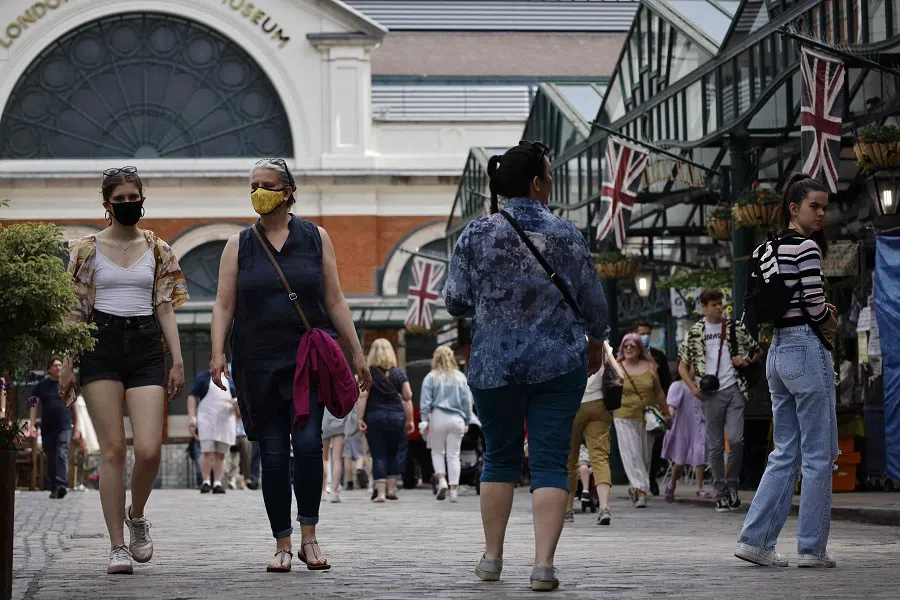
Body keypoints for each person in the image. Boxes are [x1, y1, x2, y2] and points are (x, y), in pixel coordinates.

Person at [444, 140, 609, 592]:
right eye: (549, 175)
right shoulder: (567, 234)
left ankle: (492, 558)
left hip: (495, 365)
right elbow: (594, 302)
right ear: (537, 183)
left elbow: (455, 300)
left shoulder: (476, 234)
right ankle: (543, 566)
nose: (551, 181)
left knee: (499, 458)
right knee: (551, 460)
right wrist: (596, 342)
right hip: (559, 363)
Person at [209, 158, 371, 573]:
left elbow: (335, 300)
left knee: (309, 445)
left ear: (287, 192)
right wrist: (216, 352)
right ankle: (282, 542)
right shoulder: (238, 245)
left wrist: (357, 353)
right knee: (275, 454)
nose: (258, 193)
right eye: (253, 186)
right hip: (257, 364)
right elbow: (224, 305)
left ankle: (309, 537)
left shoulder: (316, 238)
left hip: (307, 362)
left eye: (266, 185)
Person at [58, 166, 188, 575]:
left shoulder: (158, 249)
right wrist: (67, 363)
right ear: (107, 205)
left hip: (146, 346)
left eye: (134, 198)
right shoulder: (86, 250)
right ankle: (116, 546)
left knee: (148, 449)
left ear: (142, 201)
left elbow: (164, 307)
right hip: (100, 346)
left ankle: (137, 515)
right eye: (121, 200)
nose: (129, 204)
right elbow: (75, 311)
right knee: (113, 449)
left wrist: (177, 359)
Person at [735, 174, 839, 568]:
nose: (822, 213)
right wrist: (829, 319)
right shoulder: (807, 247)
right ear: (794, 208)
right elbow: (814, 305)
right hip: (806, 350)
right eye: (815, 206)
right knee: (818, 455)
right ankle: (812, 548)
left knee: (785, 452)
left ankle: (756, 541)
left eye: (824, 207)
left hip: (777, 352)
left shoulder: (767, 247)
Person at [677, 288, 761, 513]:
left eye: (720, 303)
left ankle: (732, 485)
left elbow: (757, 351)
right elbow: (682, 365)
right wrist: (693, 388)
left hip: (734, 388)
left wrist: (745, 360)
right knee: (715, 445)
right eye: (714, 304)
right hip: (710, 393)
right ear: (703, 307)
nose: (718, 308)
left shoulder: (735, 327)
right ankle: (720, 491)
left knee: (736, 440)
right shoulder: (695, 331)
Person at [614, 334, 668, 508]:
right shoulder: (617, 367)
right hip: (623, 416)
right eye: (626, 346)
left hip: (647, 418)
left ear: (640, 349)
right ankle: (642, 491)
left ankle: (635, 487)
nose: (629, 348)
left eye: (633, 345)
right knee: (632, 455)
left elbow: (658, 392)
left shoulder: (650, 366)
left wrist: (667, 414)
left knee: (644, 457)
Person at [357, 338, 414, 503]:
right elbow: (408, 397)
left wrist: (360, 418)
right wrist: (410, 420)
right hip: (396, 417)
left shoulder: (368, 373)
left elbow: (363, 396)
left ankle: (381, 493)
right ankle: (392, 490)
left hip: (375, 416)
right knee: (393, 453)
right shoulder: (399, 373)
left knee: (378, 453)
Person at [565, 357, 615, 525]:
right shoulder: (602, 345)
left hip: (573, 403)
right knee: (600, 458)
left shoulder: (567, 343)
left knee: (570, 459)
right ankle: (604, 507)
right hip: (599, 404)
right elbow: (619, 373)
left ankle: (568, 509)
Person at [420, 345, 473, 503]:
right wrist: (467, 420)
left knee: (437, 452)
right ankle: (453, 490)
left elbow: (425, 401)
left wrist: (424, 419)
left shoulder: (431, 377)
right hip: (457, 419)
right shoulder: (460, 377)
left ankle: (442, 480)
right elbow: (467, 402)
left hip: (438, 417)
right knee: (454, 455)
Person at [29, 358, 80, 498]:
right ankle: (54, 487)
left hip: (65, 426)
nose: (58, 368)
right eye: (55, 366)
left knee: (62, 453)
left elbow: (75, 408)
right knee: (51, 456)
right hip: (47, 428)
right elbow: (33, 405)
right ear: (49, 369)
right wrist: (31, 425)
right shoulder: (41, 386)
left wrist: (77, 427)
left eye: (60, 365)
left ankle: (61, 484)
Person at [661, 366, 710, 502]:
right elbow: (671, 405)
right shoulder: (677, 385)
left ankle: (699, 488)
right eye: (689, 367)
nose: (693, 370)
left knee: (700, 453)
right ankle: (672, 483)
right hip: (682, 426)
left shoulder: (701, 382)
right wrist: (669, 418)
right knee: (680, 460)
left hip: (699, 423)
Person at [634, 321, 672, 496]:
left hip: (653, 408)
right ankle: (639, 480)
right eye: (641, 333)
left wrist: (664, 407)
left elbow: (666, 382)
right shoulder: (629, 354)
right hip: (634, 408)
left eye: (647, 333)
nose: (645, 337)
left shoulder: (658, 356)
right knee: (637, 446)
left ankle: (651, 477)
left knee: (655, 443)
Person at [187, 369, 237, 494]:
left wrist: (235, 402)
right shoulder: (202, 378)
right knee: (207, 451)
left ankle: (217, 483)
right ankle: (206, 481)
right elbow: (192, 396)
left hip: (225, 420)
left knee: (221, 453)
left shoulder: (231, 380)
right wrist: (192, 417)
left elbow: (239, 397)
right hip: (207, 419)